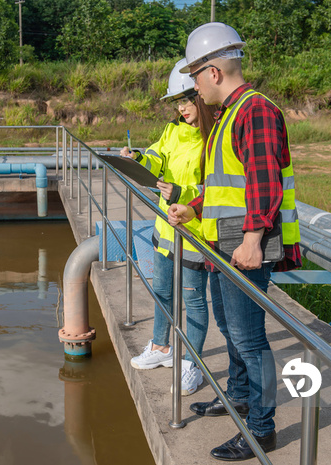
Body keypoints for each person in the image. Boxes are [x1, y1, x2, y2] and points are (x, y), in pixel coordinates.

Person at [168, 22, 301, 461]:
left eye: (194, 75)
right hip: (222, 243)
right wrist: (196, 207)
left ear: (214, 71)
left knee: (249, 338)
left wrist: (253, 239)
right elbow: (231, 182)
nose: (192, 86)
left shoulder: (254, 111)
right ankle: (238, 399)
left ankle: (261, 429)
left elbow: (263, 181)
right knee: (231, 328)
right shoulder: (231, 115)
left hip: (242, 248)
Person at [122, 58, 219, 396]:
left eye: (187, 100)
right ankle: (161, 348)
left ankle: (192, 364)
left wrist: (181, 193)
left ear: (202, 97)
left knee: (194, 301)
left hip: (193, 234)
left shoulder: (214, 138)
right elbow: (156, 158)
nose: (183, 108)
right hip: (165, 229)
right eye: (178, 102)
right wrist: (137, 159)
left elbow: (215, 189)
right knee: (162, 291)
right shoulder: (171, 130)